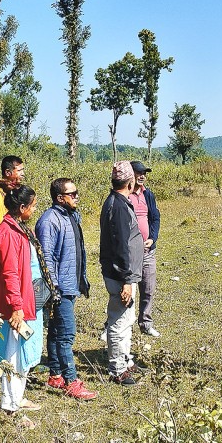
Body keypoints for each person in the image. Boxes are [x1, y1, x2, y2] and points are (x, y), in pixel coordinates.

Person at [0, 184, 45, 428]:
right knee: (13, 356)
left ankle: (17, 399)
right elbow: (10, 273)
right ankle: (12, 407)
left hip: (23, 300)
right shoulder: (8, 233)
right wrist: (16, 308)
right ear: (22, 208)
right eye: (32, 205)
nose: (34, 209)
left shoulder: (18, 227)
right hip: (14, 305)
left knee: (22, 353)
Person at [36, 178, 97, 400]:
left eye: (76, 192)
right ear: (60, 198)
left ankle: (55, 375)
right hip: (60, 288)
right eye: (72, 194)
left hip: (71, 283)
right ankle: (71, 381)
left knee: (55, 331)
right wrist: (54, 290)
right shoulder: (49, 221)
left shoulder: (70, 216)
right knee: (66, 335)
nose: (77, 197)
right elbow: (47, 259)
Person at [100, 161, 145, 386]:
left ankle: (126, 361)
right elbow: (120, 245)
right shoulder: (117, 206)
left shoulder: (117, 202)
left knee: (127, 320)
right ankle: (117, 369)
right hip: (121, 275)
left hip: (124, 274)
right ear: (130, 181)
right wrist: (126, 279)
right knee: (119, 321)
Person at [128, 161, 161, 337]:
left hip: (148, 251)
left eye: (144, 173)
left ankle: (145, 323)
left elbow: (155, 218)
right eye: (138, 173)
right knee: (126, 290)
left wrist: (152, 238)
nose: (142, 176)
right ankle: (118, 324)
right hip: (130, 252)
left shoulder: (148, 194)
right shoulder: (124, 195)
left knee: (148, 288)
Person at [0, 155, 25, 254]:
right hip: (2, 248)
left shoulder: (13, 190)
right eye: (19, 171)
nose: (23, 174)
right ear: (8, 172)